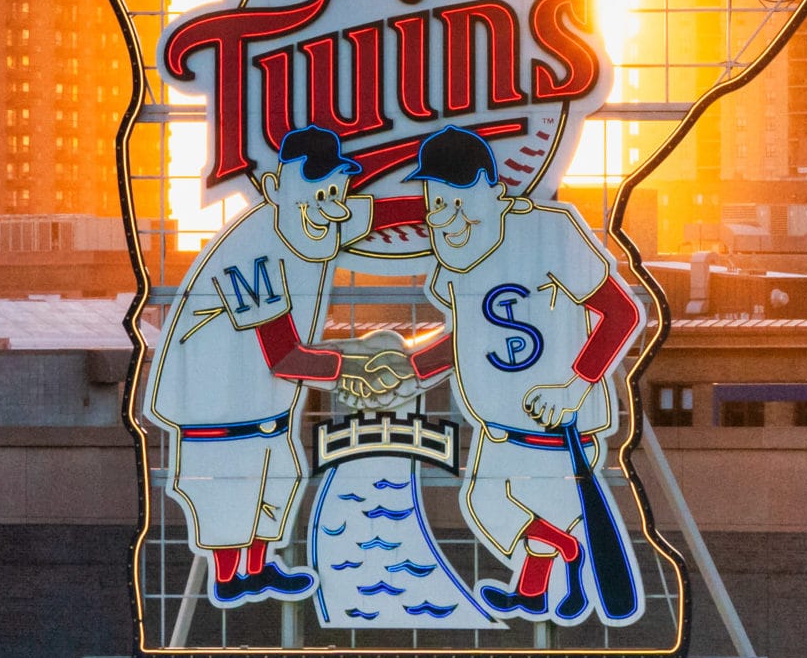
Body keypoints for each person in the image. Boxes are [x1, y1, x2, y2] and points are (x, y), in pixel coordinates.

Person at [146, 126, 423, 607]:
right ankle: (232, 578)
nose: (331, 200)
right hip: (213, 403)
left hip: (262, 400)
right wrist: (356, 365)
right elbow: (284, 355)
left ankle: (257, 568)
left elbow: (382, 214)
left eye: (336, 188)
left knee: (278, 477)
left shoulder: (317, 215)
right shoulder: (249, 249)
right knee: (231, 494)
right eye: (318, 188)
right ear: (275, 189)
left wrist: (477, 208)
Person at [397, 127, 645, 621]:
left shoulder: (548, 232)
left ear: (491, 187)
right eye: (435, 201)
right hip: (498, 428)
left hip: (556, 429)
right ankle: (541, 584)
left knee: (505, 507)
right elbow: (471, 339)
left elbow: (622, 315)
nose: (445, 215)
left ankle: (559, 565)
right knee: (491, 507)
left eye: (456, 198)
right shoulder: (457, 254)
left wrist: (574, 385)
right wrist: (410, 369)